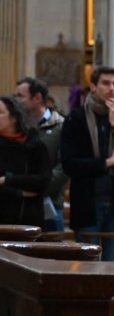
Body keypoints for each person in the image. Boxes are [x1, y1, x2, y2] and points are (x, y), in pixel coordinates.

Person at [61, 67, 114, 261]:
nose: (112, 88)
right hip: (88, 203)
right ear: (93, 86)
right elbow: (70, 164)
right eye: (106, 83)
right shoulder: (76, 119)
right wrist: (107, 163)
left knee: (113, 266)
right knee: (88, 265)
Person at [15, 77, 66, 231]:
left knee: (51, 252)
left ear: (37, 98)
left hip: (49, 203)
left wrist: (38, 187)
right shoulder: (14, 125)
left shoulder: (61, 126)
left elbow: (64, 166)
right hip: (17, 203)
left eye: (20, 96)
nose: (15, 100)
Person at [0, 94, 51, 227]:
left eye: (0, 112)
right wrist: (19, 193)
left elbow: (44, 181)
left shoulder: (36, 145)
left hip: (31, 219)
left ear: (14, 117)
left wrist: (8, 179)